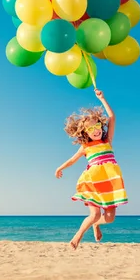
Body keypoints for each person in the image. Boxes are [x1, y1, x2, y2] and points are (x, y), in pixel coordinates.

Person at [55, 89, 128, 249]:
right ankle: (78, 236)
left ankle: (97, 225)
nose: (95, 130)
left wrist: (102, 98)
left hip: (110, 183)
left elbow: (112, 118)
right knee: (94, 214)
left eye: (97, 126)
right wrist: (60, 167)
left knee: (109, 218)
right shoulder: (85, 146)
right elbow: (73, 160)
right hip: (93, 183)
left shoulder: (107, 140)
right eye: (90, 128)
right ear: (85, 132)